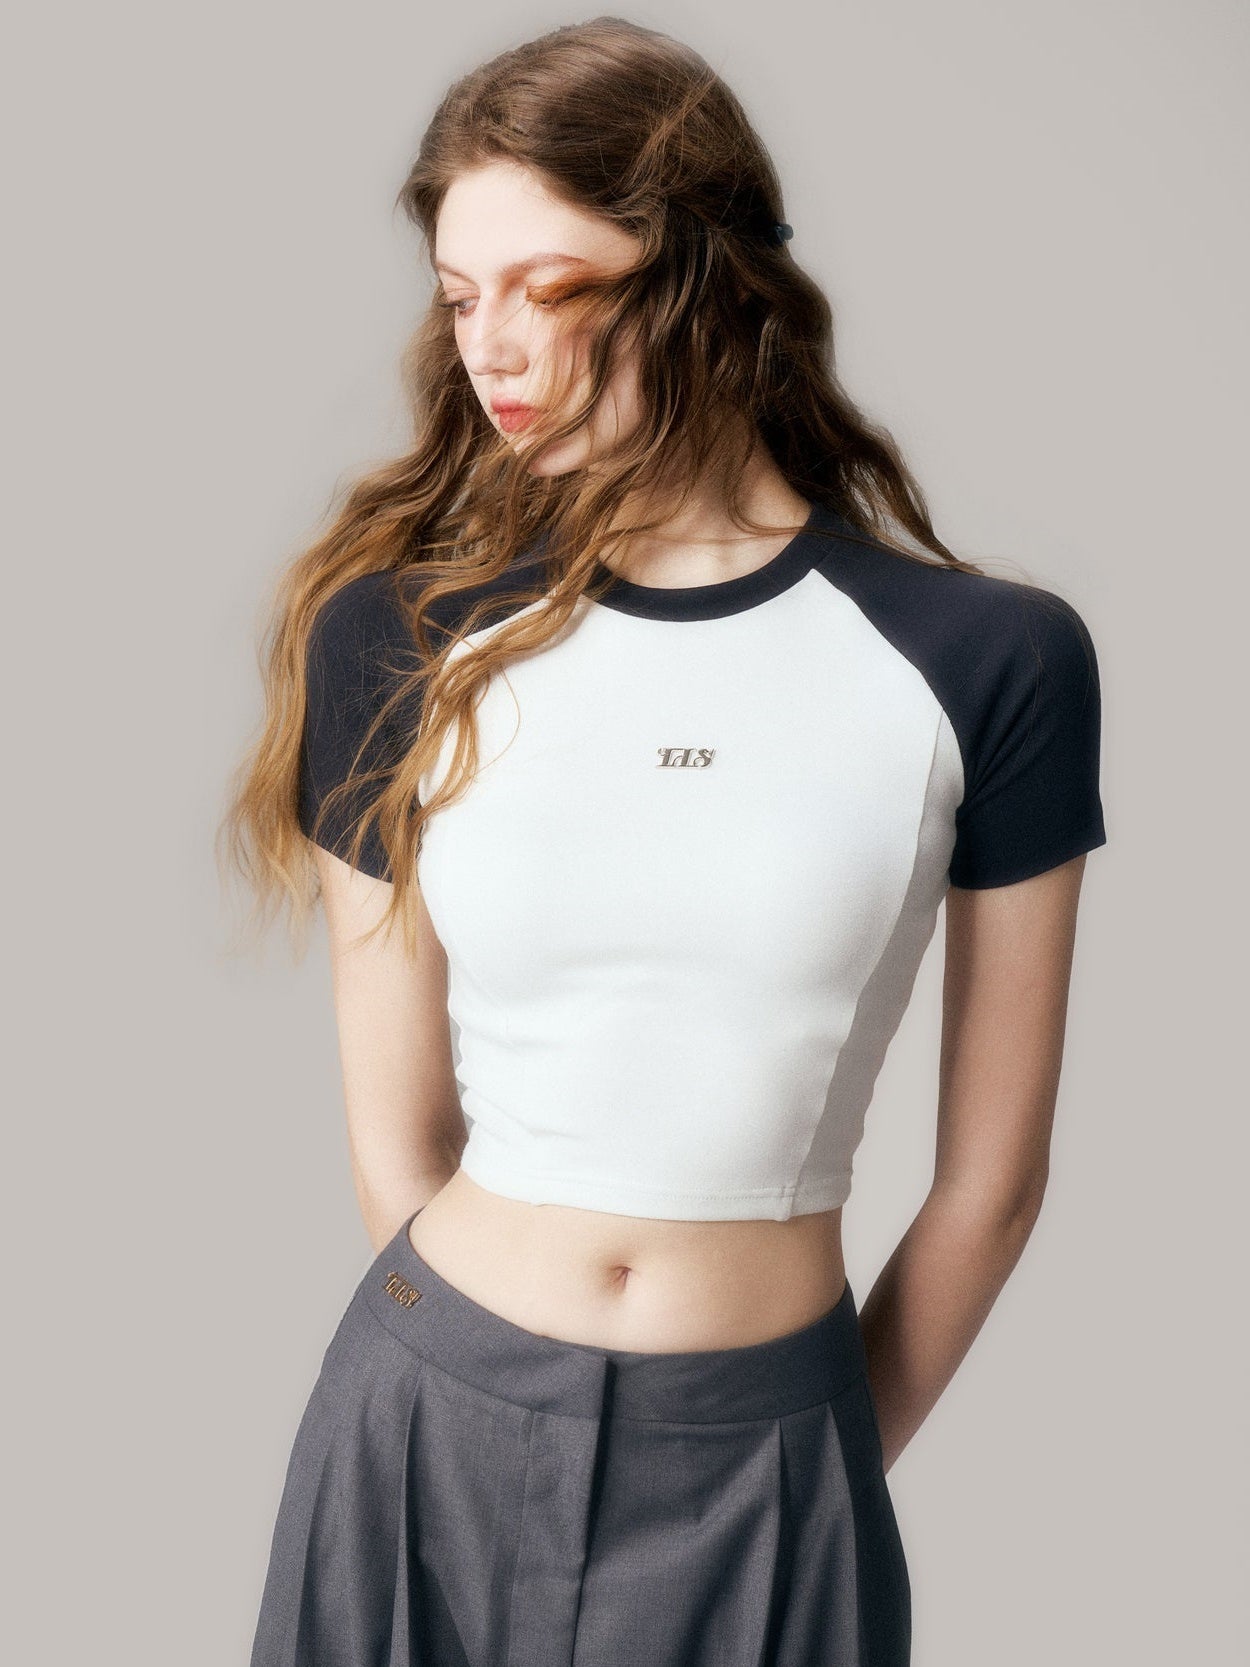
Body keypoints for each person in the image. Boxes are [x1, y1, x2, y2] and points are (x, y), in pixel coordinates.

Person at [225, 18, 1107, 1667]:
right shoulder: (395, 644)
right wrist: (474, 1393)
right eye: (460, 297)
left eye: (550, 288)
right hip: (424, 1426)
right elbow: (399, 1139)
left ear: (710, 279)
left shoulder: (986, 660)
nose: (494, 349)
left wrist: (804, 1458)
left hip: (771, 1453)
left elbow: (991, 1185)